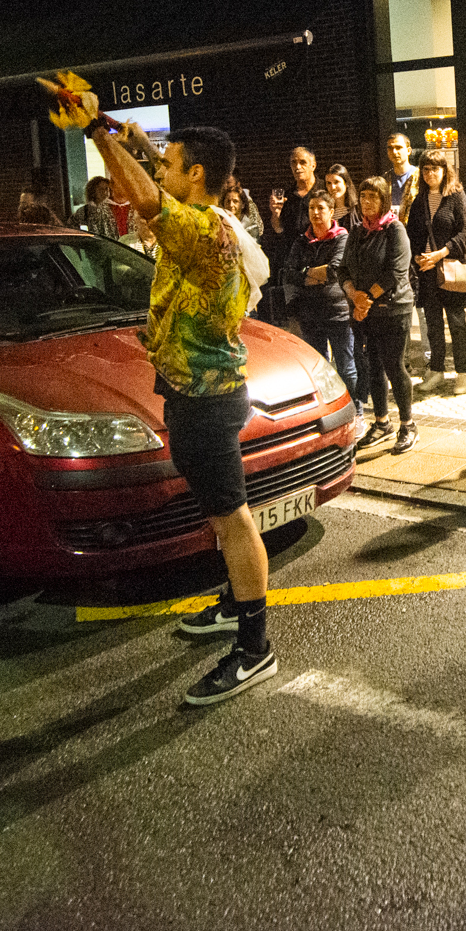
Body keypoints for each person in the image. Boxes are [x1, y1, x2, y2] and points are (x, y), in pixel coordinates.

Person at [87, 119, 278, 705]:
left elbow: (148, 200)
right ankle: (234, 604)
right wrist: (140, 144)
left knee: (233, 519)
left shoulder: (201, 230)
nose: (159, 172)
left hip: (207, 401)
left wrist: (98, 133)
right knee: (222, 517)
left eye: (168, 165)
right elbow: (160, 184)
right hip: (195, 393)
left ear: (196, 174)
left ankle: (255, 648)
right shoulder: (207, 216)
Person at [342, 176, 416, 453]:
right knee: (373, 366)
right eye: (363, 196)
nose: (367, 202)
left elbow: (396, 271)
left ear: (384, 200)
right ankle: (382, 423)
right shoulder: (357, 231)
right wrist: (354, 296)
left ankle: (408, 424)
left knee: (395, 366)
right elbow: (342, 269)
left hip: (393, 309)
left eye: (373, 197)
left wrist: (367, 298)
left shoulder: (395, 229)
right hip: (365, 311)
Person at [406, 149, 466, 395]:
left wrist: (441, 253)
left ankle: (463, 373)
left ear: (445, 170)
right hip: (427, 271)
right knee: (433, 324)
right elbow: (412, 234)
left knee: (456, 323)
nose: (430, 174)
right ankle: (436, 370)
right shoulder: (420, 200)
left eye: (435, 169)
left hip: (450, 268)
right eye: (425, 169)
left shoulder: (456, 196)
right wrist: (418, 257)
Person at [284, 191, 356, 395]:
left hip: (338, 312)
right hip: (309, 313)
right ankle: (328, 406)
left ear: (331, 211)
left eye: (320, 208)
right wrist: (313, 273)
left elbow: (334, 270)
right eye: (311, 208)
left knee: (346, 367)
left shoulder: (342, 238)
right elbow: (289, 273)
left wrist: (304, 272)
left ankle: (356, 408)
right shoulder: (301, 241)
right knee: (318, 368)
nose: (315, 213)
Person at [262, 147, 319, 324]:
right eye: (293, 163)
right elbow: (279, 230)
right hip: (294, 265)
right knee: (296, 318)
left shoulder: (322, 191)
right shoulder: (287, 196)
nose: (297, 167)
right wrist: (275, 214)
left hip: (318, 260)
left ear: (313, 165)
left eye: (302, 162)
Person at [73, 176, 122, 241]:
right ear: (92, 191)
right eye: (100, 189)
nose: (104, 192)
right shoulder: (84, 211)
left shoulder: (114, 209)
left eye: (106, 189)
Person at [384, 133, 419, 221]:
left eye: (398, 147)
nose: (394, 152)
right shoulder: (384, 180)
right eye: (390, 148)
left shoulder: (420, 177)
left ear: (408, 151)